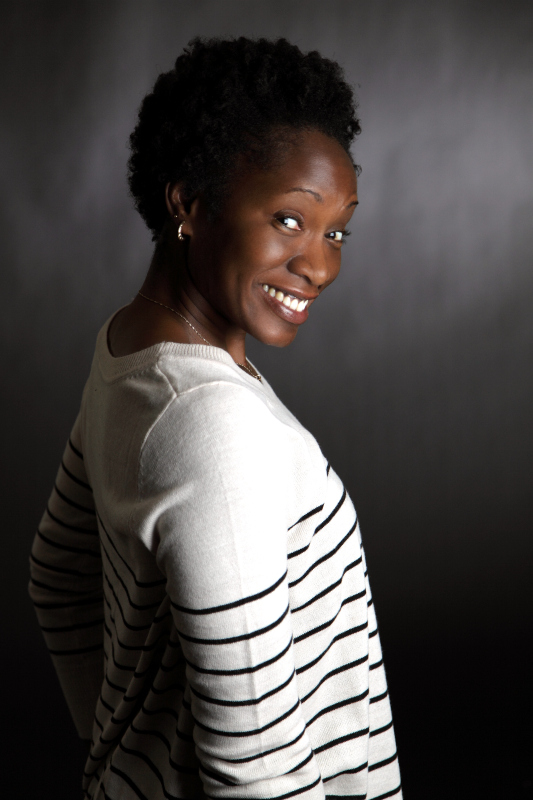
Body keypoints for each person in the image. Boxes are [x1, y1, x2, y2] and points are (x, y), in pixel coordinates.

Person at [29, 36, 402, 800]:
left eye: (335, 231)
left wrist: (120, 754)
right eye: (289, 219)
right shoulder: (212, 430)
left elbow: (55, 574)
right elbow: (256, 769)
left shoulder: (129, 348)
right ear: (189, 203)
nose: (320, 265)